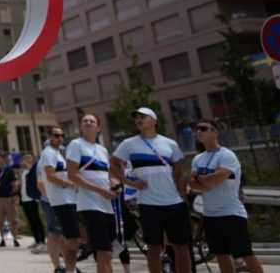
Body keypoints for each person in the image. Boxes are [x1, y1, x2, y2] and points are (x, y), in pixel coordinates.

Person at [111, 107, 192, 273]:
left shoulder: (170, 144)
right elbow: (112, 164)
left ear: (154, 121)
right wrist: (129, 182)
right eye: (137, 118)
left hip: (175, 203)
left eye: (143, 116)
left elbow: (178, 171)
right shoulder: (128, 144)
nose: (139, 120)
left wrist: (183, 198)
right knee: (154, 248)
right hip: (148, 204)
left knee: (181, 246)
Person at [189, 119, 263, 273]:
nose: (199, 131)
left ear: (214, 132)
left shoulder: (227, 155)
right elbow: (193, 184)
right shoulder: (197, 159)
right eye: (197, 129)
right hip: (210, 214)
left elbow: (212, 183)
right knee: (221, 255)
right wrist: (206, 179)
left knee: (245, 254)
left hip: (231, 213)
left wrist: (203, 179)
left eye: (203, 128)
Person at [67, 114, 116, 273]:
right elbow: (73, 175)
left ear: (99, 128)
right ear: (81, 127)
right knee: (104, 250)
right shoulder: (76, 145)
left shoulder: (102, 150)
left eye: (92, 121)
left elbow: (106, 175)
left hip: (107, 205)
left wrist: (114, 184)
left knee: (108, 252)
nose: (88, 122)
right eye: (84, 121)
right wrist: (100, 190)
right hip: (89, 204)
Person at [39, 128, 74, 273]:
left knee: (62, 234)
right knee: (55, 233)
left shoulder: (58, 154)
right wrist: (49, 198)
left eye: (62, 135)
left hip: (64, 198)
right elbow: (42, 180)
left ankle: (67, 265)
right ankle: (58, 267)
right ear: (49, 137)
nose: (60, 138)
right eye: (56, 135)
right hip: (52, 200)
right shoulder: (47, 154)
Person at [0, 152, 20, 247]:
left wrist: (15, 196)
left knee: (12, 220)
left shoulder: (9, 170)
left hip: (9, 198)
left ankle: (15, 238)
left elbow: (14, 184)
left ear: (4, 159)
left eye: (0, 158)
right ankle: (2, 239)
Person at [20, 154, 46, 251]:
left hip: (32, 199)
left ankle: (42, 241)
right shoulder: (23, 172)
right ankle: (36, 239)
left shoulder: (33, 171)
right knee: (30, 220)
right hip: (24, 198)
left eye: (27, 159)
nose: (24, 161)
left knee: (36, 220)